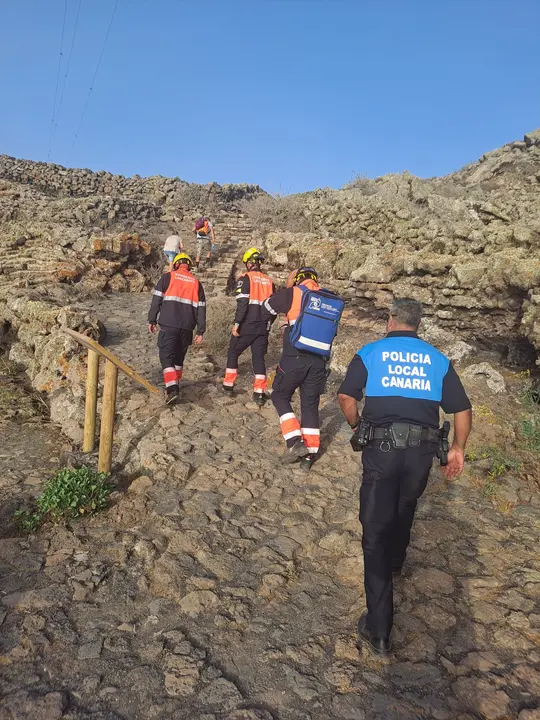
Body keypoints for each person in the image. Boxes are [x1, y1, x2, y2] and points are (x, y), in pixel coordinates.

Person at [337, 297, 472, 656]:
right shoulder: (437, 359)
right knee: (407, 502)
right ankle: (397, 560)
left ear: (391, 319)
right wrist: (457, 448)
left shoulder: (371, 352)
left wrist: (357, 426)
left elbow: (347, 397)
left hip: (381, 449)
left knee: (375, 531)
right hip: (422, 453)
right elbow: (461, 409)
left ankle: (379, 629)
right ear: (418, 324)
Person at [264, 266, 341, 472]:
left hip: (294, 356)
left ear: (298, 279)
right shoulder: (328, 299)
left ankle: (294, 440)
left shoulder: (294, 292)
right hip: (319, 361)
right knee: (310, 403)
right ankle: (310, 455)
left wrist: (288, 287)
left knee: (279, 395)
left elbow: (267, 307)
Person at [147, 253, 206, 405]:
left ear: (176, 264)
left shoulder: (167, 278)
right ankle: (176, 384)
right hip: (187, 328)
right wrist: (200, 331)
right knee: (179, 358)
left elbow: (156, 301)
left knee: (166, 357)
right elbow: (201, 309)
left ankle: (172, 389)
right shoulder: (196, 283)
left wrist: (152, 320)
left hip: (169, 325)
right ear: (189, 266)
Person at [223, 248, 276, 406]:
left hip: (246, 325)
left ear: (249, 263)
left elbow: (243, 304)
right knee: (259, 358)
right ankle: (259, 392)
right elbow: (274, 309)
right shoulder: (269, 282)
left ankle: (228, 386)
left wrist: (237, 324)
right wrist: (268, 323)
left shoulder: (245, 278)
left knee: (233, 352)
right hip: (263, 328)